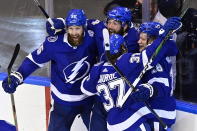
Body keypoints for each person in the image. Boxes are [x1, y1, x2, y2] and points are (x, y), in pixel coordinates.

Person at [2, 9, 98, 131]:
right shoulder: (54, 43)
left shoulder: (93, 38)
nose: (74, 33)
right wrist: (18, 76)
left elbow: (107, 28)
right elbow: (34, 60)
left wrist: (61, 21)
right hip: (63, 103)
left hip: (90, 99)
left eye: (77, 28)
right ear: (66, 28)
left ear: (83, 27)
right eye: (71, 28)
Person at [80, 17, 181, 131]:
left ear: (152, 41)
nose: (138, 42)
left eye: (143, 39)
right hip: (148, 111)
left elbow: (162, 85)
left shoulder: (159, 60)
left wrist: (149, 89)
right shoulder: (132, 60)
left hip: (159, 111)